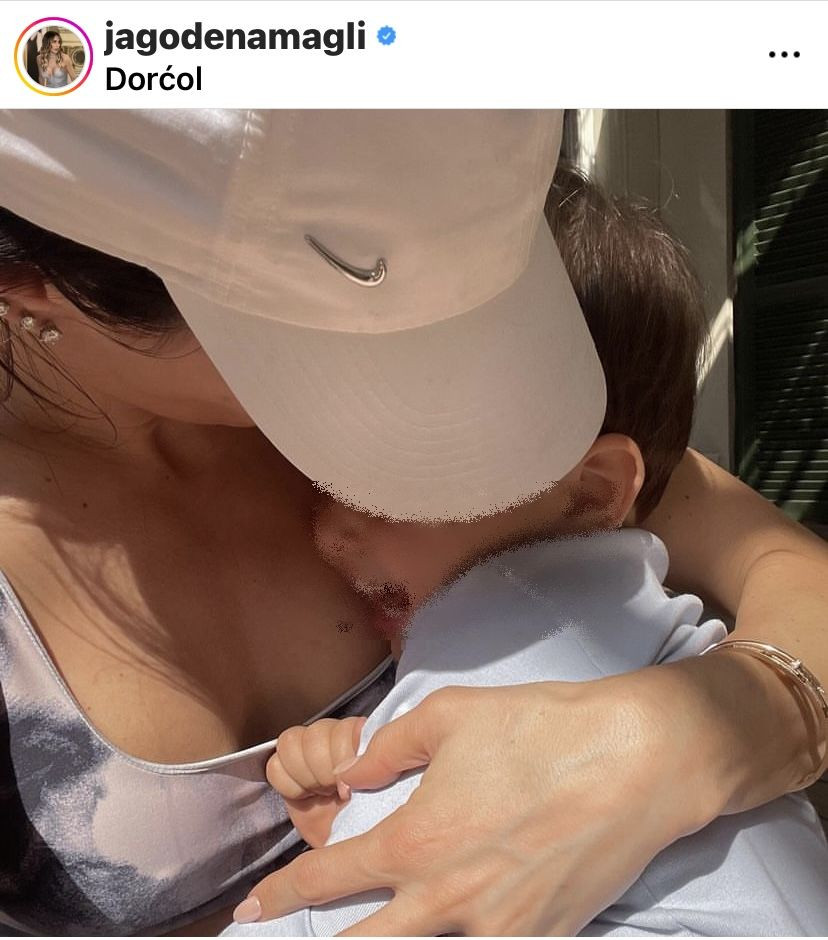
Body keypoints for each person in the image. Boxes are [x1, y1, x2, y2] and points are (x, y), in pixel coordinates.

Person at [0, 111, 825, 937]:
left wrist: (683, 740)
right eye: (295, 313)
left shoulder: (481, 425)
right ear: (33, 286)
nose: (404, 334)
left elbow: (791, 571)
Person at [222, 167, 828, 936]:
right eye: (319, 476)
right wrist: (367, 796)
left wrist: (374, 817)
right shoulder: (616, 601)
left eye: (381, 484)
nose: (329, 531)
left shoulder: (510, 615)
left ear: (587, 494)